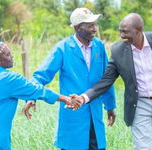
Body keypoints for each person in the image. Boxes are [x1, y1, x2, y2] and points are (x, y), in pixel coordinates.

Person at [72, 13, 152, 150]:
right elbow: (106, 80)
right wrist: (83, 97)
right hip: (139, 104)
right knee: (142, 148)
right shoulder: (118, 50)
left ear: (139, 30)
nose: (122, 35)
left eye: (126, 32)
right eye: (120, 31)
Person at [22, 8, 116, 150]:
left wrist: (110, 106)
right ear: (78, 28)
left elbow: (106, 79)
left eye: (95, 24)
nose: (95, 29)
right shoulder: (62, 48)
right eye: (90, 25)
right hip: (73, 116)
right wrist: (31, 96)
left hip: (95, 114)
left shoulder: (99, 47)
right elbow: (40, 76)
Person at [0, 39, 75, 150]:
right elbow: (38, 90)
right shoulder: (9, 79)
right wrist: (65, 99)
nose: (12, 56)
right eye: (8, 54)